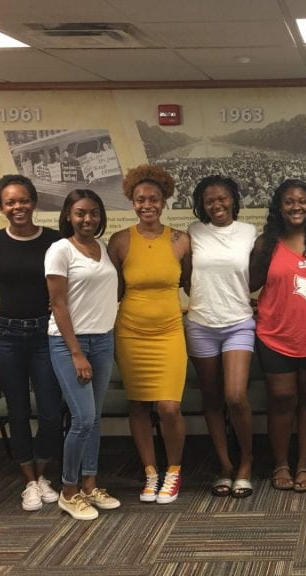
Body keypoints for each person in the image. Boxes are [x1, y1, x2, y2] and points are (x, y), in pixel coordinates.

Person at [0, 175, 62, 512]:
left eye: (23, 200)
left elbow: (66, 279)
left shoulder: (55, 239)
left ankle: (42, 474)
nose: (18, 207)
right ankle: (28, 481)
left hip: (45, 334)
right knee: (17, 410)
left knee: (52, 413)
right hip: (6, 335)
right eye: (10, 202)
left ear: (34, 202)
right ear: (1, 207)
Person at [107, 165, 191, 505]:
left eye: (153, 198)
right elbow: (111, 289)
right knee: (139, 405)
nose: (147, 205)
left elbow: (191, 284)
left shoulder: (181, 240)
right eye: (140, 199)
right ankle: (150, 472)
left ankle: (173, 470)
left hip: (170, 332)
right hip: (130, 333)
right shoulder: (120, 241)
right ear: (132, 201)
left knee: (169, 407)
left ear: (164, 200)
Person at [249, 179, 306, 493]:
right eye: (288, 202)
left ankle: (305, 465)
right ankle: (281, 463)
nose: (296, 207)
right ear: (279, 208)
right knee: (281, 400)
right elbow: (249, 283)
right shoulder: (266, 243)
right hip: (276, 336)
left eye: (302, 201)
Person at [46, 189, 120, 520]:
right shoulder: (59, 250)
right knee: (82, 419)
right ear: (67, 216)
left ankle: (90, 485)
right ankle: (68, 490)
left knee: (94, 418)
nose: (87, 219)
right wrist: (76, 353)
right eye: (80, 213)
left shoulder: (102, 248)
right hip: (69, 344)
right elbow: (58, 304)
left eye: (93, 213)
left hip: (103, 340)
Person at [185, 175, 257, 498]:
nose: (217, 205)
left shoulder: (249, 232)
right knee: (212, 401)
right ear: (202, 205)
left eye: (222, 198)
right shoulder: (193, 233)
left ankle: (247, 461)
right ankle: (225, 466)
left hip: (239, 322)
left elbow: (255, 275)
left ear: (233, 199)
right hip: (200, 324)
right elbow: (185, 277)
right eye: (209, 200)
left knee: (235, 396)